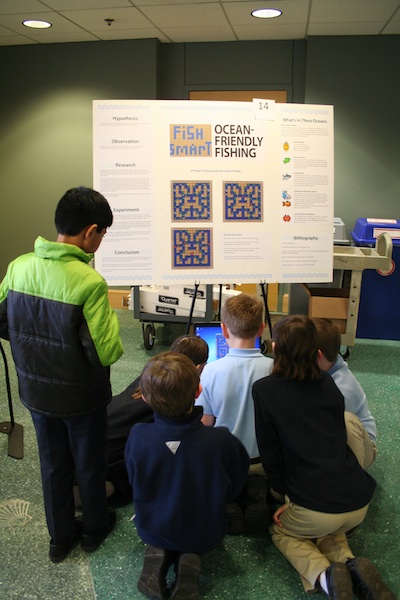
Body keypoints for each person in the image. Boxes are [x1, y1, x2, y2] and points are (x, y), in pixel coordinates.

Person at [0, 186, 124, 563]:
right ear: (90, 232)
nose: (102, 239)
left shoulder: (18, 267)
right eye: (103, 232)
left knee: (52, 462)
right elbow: (107, 350)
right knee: (88, 461)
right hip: (82, 397)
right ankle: (93, 529)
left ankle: (59, 538)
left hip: (36, 393)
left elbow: (4, 323)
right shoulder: (89, 283)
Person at [252, 315, 395, 599]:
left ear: (276, 348)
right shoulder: (330, 385)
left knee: (283, 531)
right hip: (357, 502)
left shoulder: (264, 390)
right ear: (315, 352)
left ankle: (325, 576)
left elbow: (271, 452)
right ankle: (350, 565)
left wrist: (283, 497)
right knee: (329, 529)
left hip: (314, 508)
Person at [124, 351, 249, 600]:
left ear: (145, 399)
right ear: (198, 390)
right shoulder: (221, 440)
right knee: (195, 532)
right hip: (205, 532)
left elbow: (133, 480)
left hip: (152, 527)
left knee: (163, 525)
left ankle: (159, 552)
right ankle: (189, 561)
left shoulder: (138, 435)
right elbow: (236, 485)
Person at [195, 293, 273, 533]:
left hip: (226, 462)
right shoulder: (274, 369)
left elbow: (207, 424)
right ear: (261, 329)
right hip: (264, 462)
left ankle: (228, 496)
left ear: (224, 330)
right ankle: (257, 490)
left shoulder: (210, 372)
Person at [105, 334, 209, 501]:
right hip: (110, 458)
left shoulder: (150, 376)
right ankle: (114, 486)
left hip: (94, 437)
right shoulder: (170, 397)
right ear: (197, 368)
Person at [313, 317, 377, 469]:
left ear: (317, 356)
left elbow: (330, 433)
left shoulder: (342, 389)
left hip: (361, 445)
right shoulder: (326, 368)